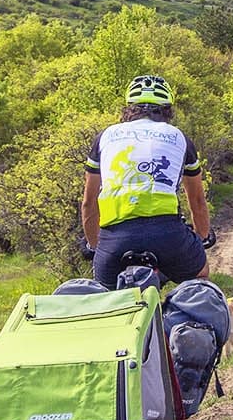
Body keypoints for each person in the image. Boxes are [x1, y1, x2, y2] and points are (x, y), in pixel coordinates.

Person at [81, 75, 214, 286]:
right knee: (200, 274)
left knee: (104, 298)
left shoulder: (105, 136)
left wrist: (94, 246)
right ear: (167, 108)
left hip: (115, 237)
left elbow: (89, 202)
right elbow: (197, 201)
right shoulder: (178, 137)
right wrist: (202, 237)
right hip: (166, 234)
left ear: (129, 107)